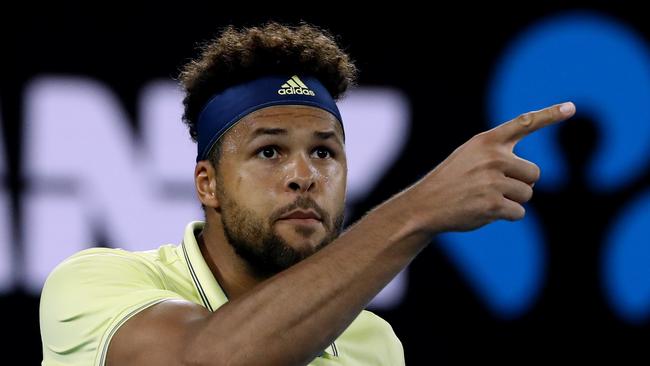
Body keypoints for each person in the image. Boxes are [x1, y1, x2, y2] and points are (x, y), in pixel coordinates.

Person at [39, 22, 576, 366]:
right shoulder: (94, 284)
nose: (304, 175)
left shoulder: (374, 346)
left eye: (324, 152)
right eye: (269, 152)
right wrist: (419, 210)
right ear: (208, 183)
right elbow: (204, 359)